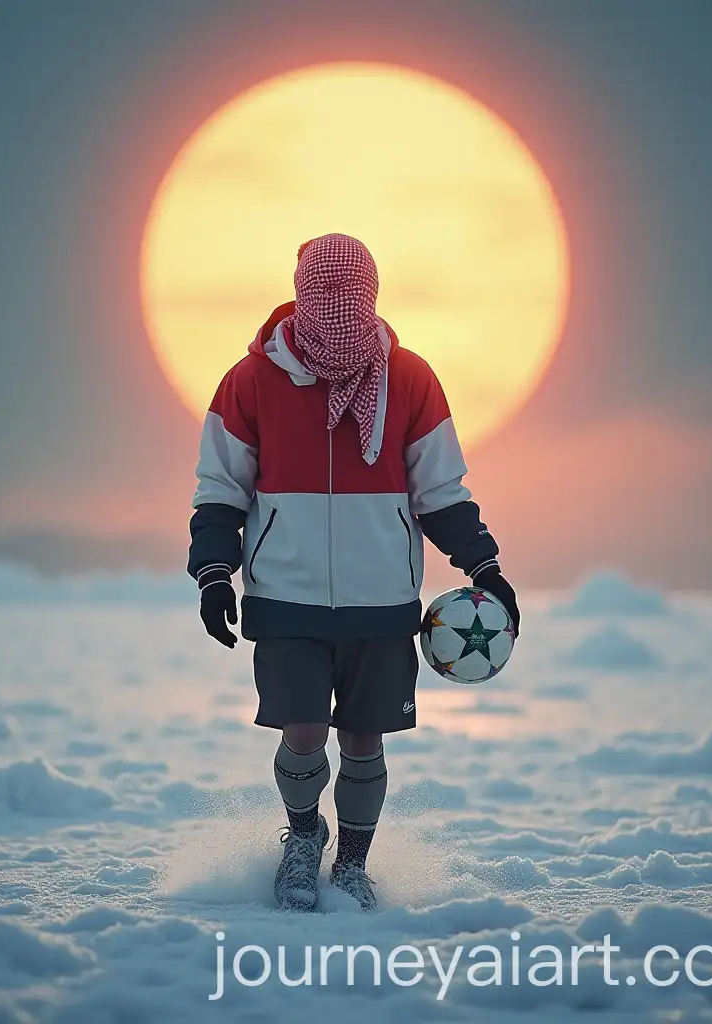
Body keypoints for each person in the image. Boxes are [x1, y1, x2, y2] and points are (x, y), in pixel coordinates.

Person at [187, 233, 519, 912]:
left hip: (382, 603)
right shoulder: (249, 382)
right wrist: (214, 572)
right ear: (303, 294)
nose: (337, 309)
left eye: (350, 294)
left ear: (372, 296)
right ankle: (303, 838)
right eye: (324, 294)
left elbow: (441, 492)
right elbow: (220, 488)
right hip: (286, 599)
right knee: (304, 729)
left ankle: (354, 866)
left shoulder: (413, 379)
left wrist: (484, 561)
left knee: (363, 738)